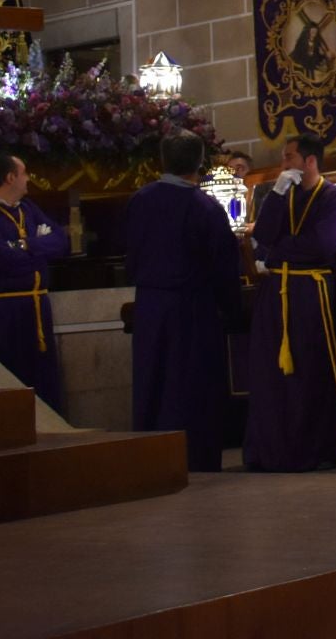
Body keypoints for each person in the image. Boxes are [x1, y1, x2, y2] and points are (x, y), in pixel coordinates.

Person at [126, 130, 242, 471]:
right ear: (199, 163)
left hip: (149, 306)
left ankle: (151, 460)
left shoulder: (140, 200)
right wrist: (231, 311)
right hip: (193, 310)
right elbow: (224, 266)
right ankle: (195, 460)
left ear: (163, 161)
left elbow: (131, 257)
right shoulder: (205, 208)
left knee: (153, 382)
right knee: (193, 387)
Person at [244, 131, 336, 473]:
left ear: (309, 161)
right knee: (271, 374)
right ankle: (272, 449)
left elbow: (321, 247)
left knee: (310, 369)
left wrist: (278, 250)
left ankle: (312, 447)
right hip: (276, 293)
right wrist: (276, 195)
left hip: (310, 294)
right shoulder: (283, 195)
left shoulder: (334, 198)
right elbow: (262, 237)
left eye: (289, 158)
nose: (284, 164)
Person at [0, 151, 66, 409]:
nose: (28, 179)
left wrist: (23, 245)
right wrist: (37, 251)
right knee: (7, 386)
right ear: (10, 177)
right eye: (24, 173)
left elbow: (61, 241)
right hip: (0, 314)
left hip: (37, 309)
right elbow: (3, 257)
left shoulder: (29, 209)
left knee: (43, 385)